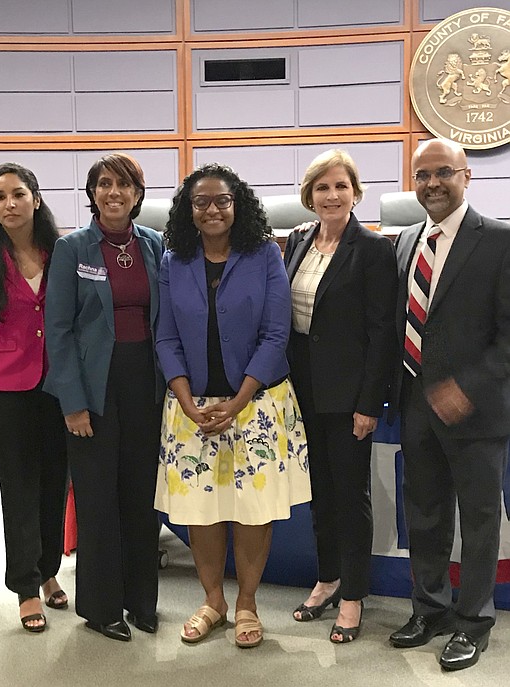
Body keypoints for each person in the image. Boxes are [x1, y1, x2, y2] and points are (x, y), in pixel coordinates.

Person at [155, 163, 310, 648]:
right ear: (189, 209)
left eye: (222, 199)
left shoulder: (263, 253)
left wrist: (239, 400)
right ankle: (212, 602)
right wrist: (185, 399)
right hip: (191, 407)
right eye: (201, 201)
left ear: (236, 204)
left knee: (251, 510)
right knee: (200, 510)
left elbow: (275, 333)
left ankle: (246, 603)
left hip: (258, 403)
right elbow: (166, 336)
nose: (212, 209)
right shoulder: (172, 258)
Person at [388, 138, 510, 671]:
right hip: (415, 403)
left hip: (476, 411)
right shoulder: (406, 239)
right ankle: (430, 609)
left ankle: (473, 623)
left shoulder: (501, 241)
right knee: (425, 514)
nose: (431, 183)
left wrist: (468, 385)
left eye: (442, 173)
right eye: (421, 176)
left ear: (466, 177)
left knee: (479, 520)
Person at [43, 153, 164, 642]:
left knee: (141, 495)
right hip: (92, 388)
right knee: (97, 497)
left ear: (138, 194)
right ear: (92, 194)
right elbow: (58, 329)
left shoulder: (155, 244)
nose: (114, 192)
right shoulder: (72, 248)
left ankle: (141, 601)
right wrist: (72, 402)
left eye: (124, 184)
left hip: (146, 385)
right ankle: (100, 605)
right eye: (104, 184)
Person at [284, 149, 397, 643]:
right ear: (310, 196)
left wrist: (369, 404)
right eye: (322, 188)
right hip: (302, 389)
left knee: (351, 495)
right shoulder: (297, 241)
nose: (331, 195)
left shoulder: (372, 250)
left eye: (341, 186)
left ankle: (353, 595)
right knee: (320, 495)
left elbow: (382, 334)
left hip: (349, 394)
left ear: (355, 193)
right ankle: (327, 577)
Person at [0, 163, 68, 633]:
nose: (8, 203)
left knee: (53, 480)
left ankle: (48, 572)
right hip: (4, 386)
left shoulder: (61, 251)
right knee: (18, 487)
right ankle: (25, 587)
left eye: (18, 194)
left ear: (36, 199)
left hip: (56, 384)